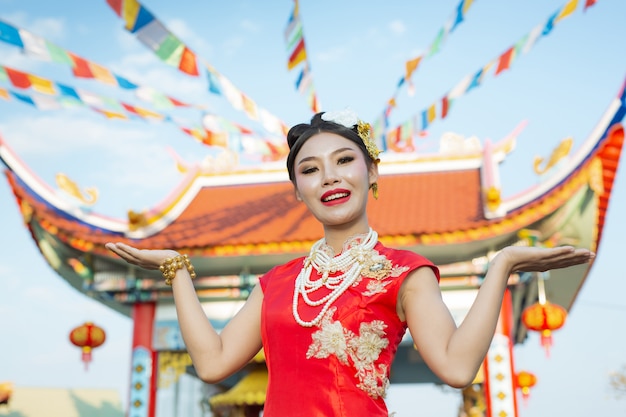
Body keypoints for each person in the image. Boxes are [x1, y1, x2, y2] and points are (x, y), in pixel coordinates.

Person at [106, 109, 595, 416]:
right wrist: (176, 270)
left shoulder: (406, 272)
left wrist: (502, 264)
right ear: (297, 191)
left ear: (371, 171)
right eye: (310, 170)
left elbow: (456, 365)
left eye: (344, 160)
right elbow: (212, 362)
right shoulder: (279, 282)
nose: (329, 177)